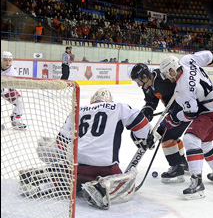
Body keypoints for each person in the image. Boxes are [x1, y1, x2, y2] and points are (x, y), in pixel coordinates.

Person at [18, 88, 158, 209]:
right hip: (104, 167)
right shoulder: (118, 107)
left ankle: (44, 183)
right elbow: (140, 121)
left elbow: (61, 143)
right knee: (128, 183)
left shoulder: (77, 110)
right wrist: (144, 138)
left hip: (76, 165)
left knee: (71, 177)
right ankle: (102, 187)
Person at [159, 50, 213, 199]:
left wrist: (174, 118)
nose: (166, 77)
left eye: (166, 73)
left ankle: (196, 182)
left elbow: (191, 113)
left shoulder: (182, 88)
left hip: (209, 112)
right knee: (205, 143)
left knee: (190, 139)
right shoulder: (187, 59)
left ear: (172, 70)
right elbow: (210, 55)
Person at [130, 63, 189, 183]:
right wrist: (146, 114)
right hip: (174, 112)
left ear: (145, 76)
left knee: (166, 136)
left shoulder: (163, 78)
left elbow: (183, 86)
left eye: (138, 80)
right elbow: (151, 102)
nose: (138, 84)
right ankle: (182, 163)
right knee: (173, 136)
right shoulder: (147, 87)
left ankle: (177, 167)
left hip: (184, 110)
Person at [1, 51, 27, 130]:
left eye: (10, 60)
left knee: (20, 101)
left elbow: (10, 87)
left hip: (5, 89)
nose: (8, 62)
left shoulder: (12, 73)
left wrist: (5, 89)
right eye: (5, 60)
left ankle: (15, 120)